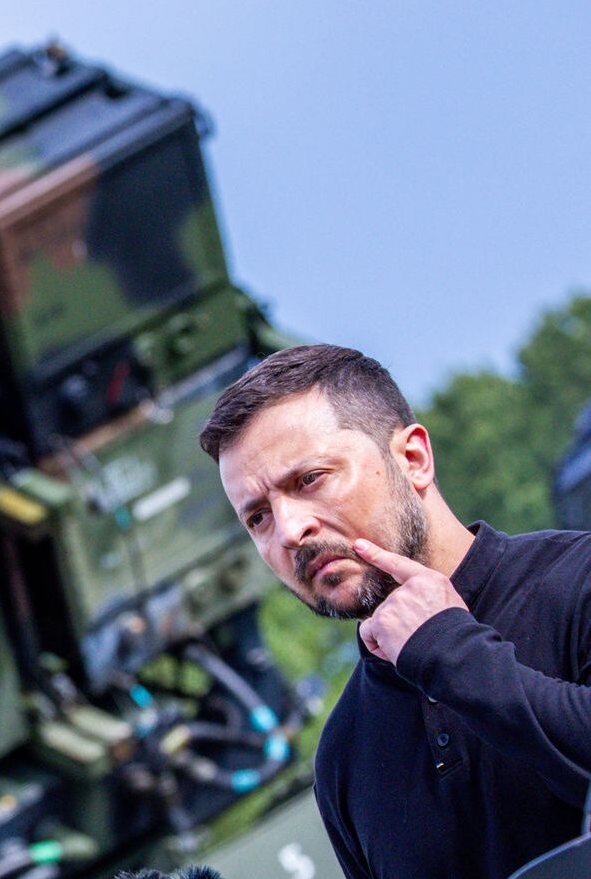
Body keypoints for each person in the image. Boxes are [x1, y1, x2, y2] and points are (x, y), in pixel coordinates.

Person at [196, 343, 591, 879]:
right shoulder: (342, 757)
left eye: (309, 479)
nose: (290, 532)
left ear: (413, 460)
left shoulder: (578, 580)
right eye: (259, 517)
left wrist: (450, 651)